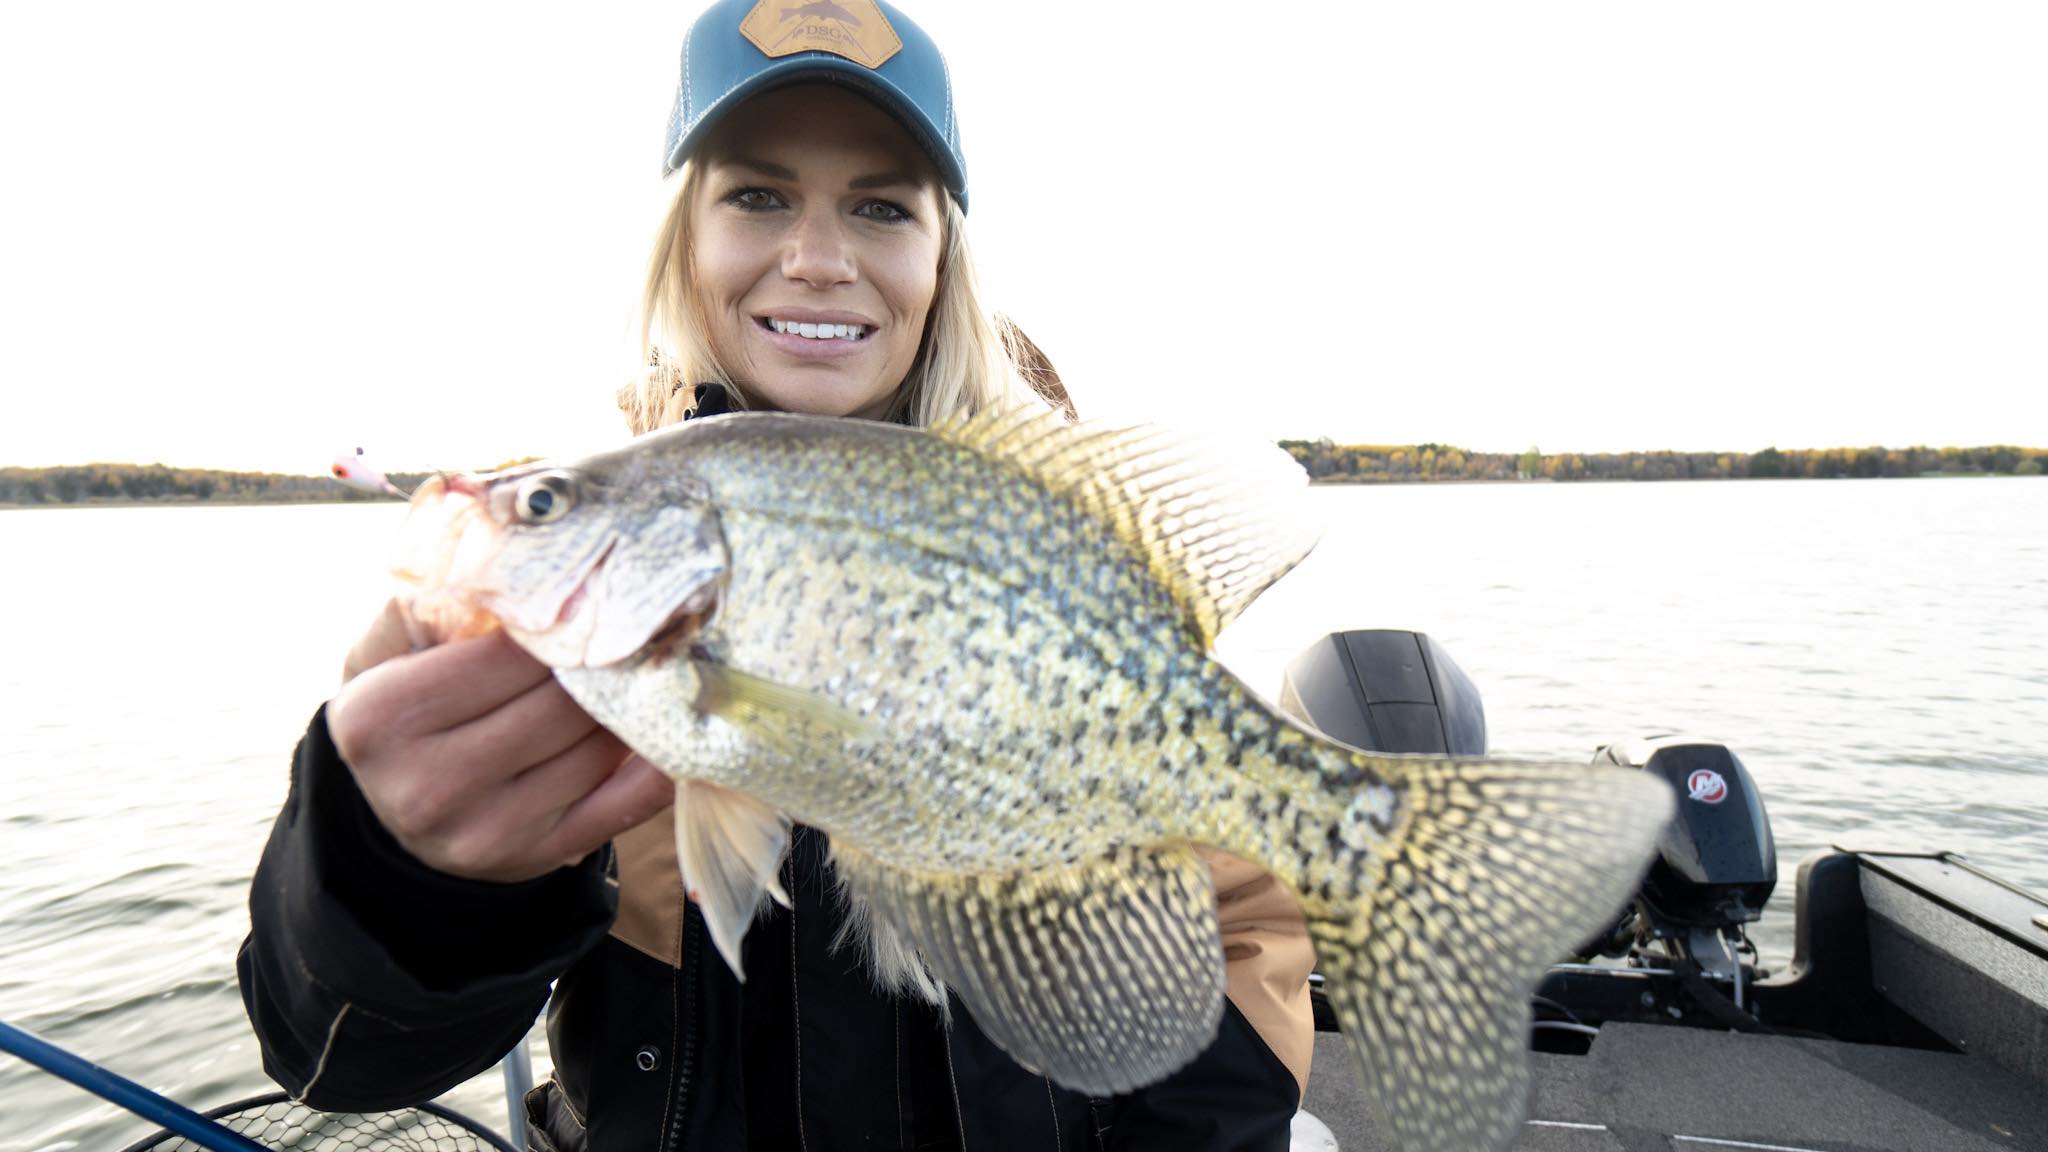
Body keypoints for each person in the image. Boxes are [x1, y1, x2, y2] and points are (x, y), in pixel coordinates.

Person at [237, 2, 1314, 1148]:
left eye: (881, 207)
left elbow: (1238, 965)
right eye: (755, 196)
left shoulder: (1057, 548)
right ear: (683, 243)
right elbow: (336, 1062)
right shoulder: (553, 642)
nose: (816, 258)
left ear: (939, 255)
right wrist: (400, 870)